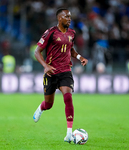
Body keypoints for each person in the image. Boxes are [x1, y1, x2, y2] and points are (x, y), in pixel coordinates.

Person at [33, 8, 88, 143]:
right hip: (51, 72)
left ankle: (69, 134)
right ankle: (41, 108)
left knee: (68, 97)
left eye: (70, 17)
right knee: (49, 104)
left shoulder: (72, 33)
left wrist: (80, 57)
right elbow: (36, 51)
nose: (69, 19)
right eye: (67, 17)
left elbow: (71, 49)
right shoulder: (50, 33)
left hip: (65, 71)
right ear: (59, 18)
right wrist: (45, 66)